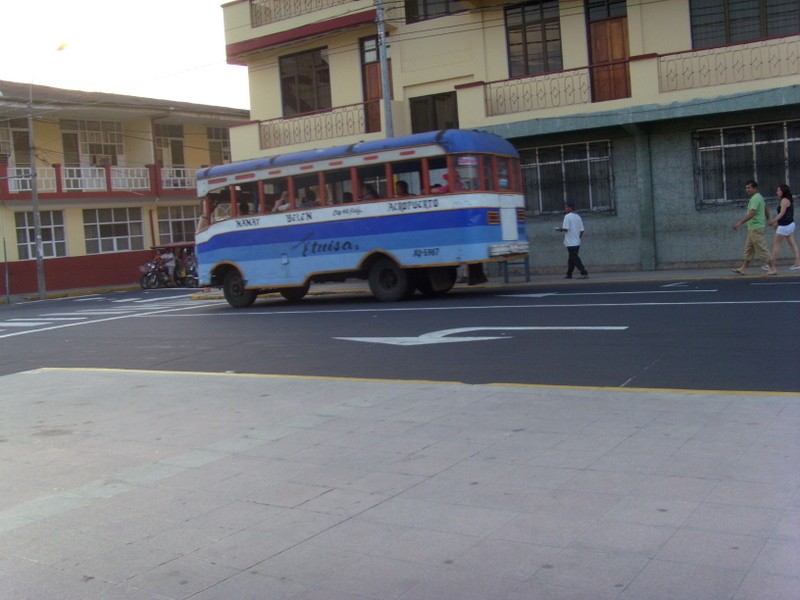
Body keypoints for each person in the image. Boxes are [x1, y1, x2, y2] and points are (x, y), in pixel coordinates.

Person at [731, 180, 771, 275]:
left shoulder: (756, 198)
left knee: (762, 248)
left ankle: (773, 268)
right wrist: (769, 219)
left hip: (756, 228)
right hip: (752, 228)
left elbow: (752, 213)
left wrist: (739, 223)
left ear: (755, 188)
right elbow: (766, 208)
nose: (747, 190)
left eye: (749, 187)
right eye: (746, 188)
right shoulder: (758, 197)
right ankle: (743, 269)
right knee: (748, 249)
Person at [765, 184, 800, 273]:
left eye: (778, 190)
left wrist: (773, 221)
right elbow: (784, 214)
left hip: (785, 226)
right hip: (789, 224)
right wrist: (776, 223)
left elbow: (782, 213)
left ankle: (771, 265)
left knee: (776, 245)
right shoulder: (786, 200)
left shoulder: (784, 200)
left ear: (783, 191)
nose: (777, 192)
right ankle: (798, 263)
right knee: (792, 243)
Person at [556, 200, 588, 279]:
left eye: (566, 207)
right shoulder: (578, 217)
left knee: (575, 258)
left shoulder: (567, 216)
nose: (565, 209)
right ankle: (569, 274)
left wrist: (559, 229)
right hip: (577, 242)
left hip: (570, 242)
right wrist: (578, 238)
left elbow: (566, 229)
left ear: (570, 208)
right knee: (571, 258)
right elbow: (582, 230)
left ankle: (584, 272)